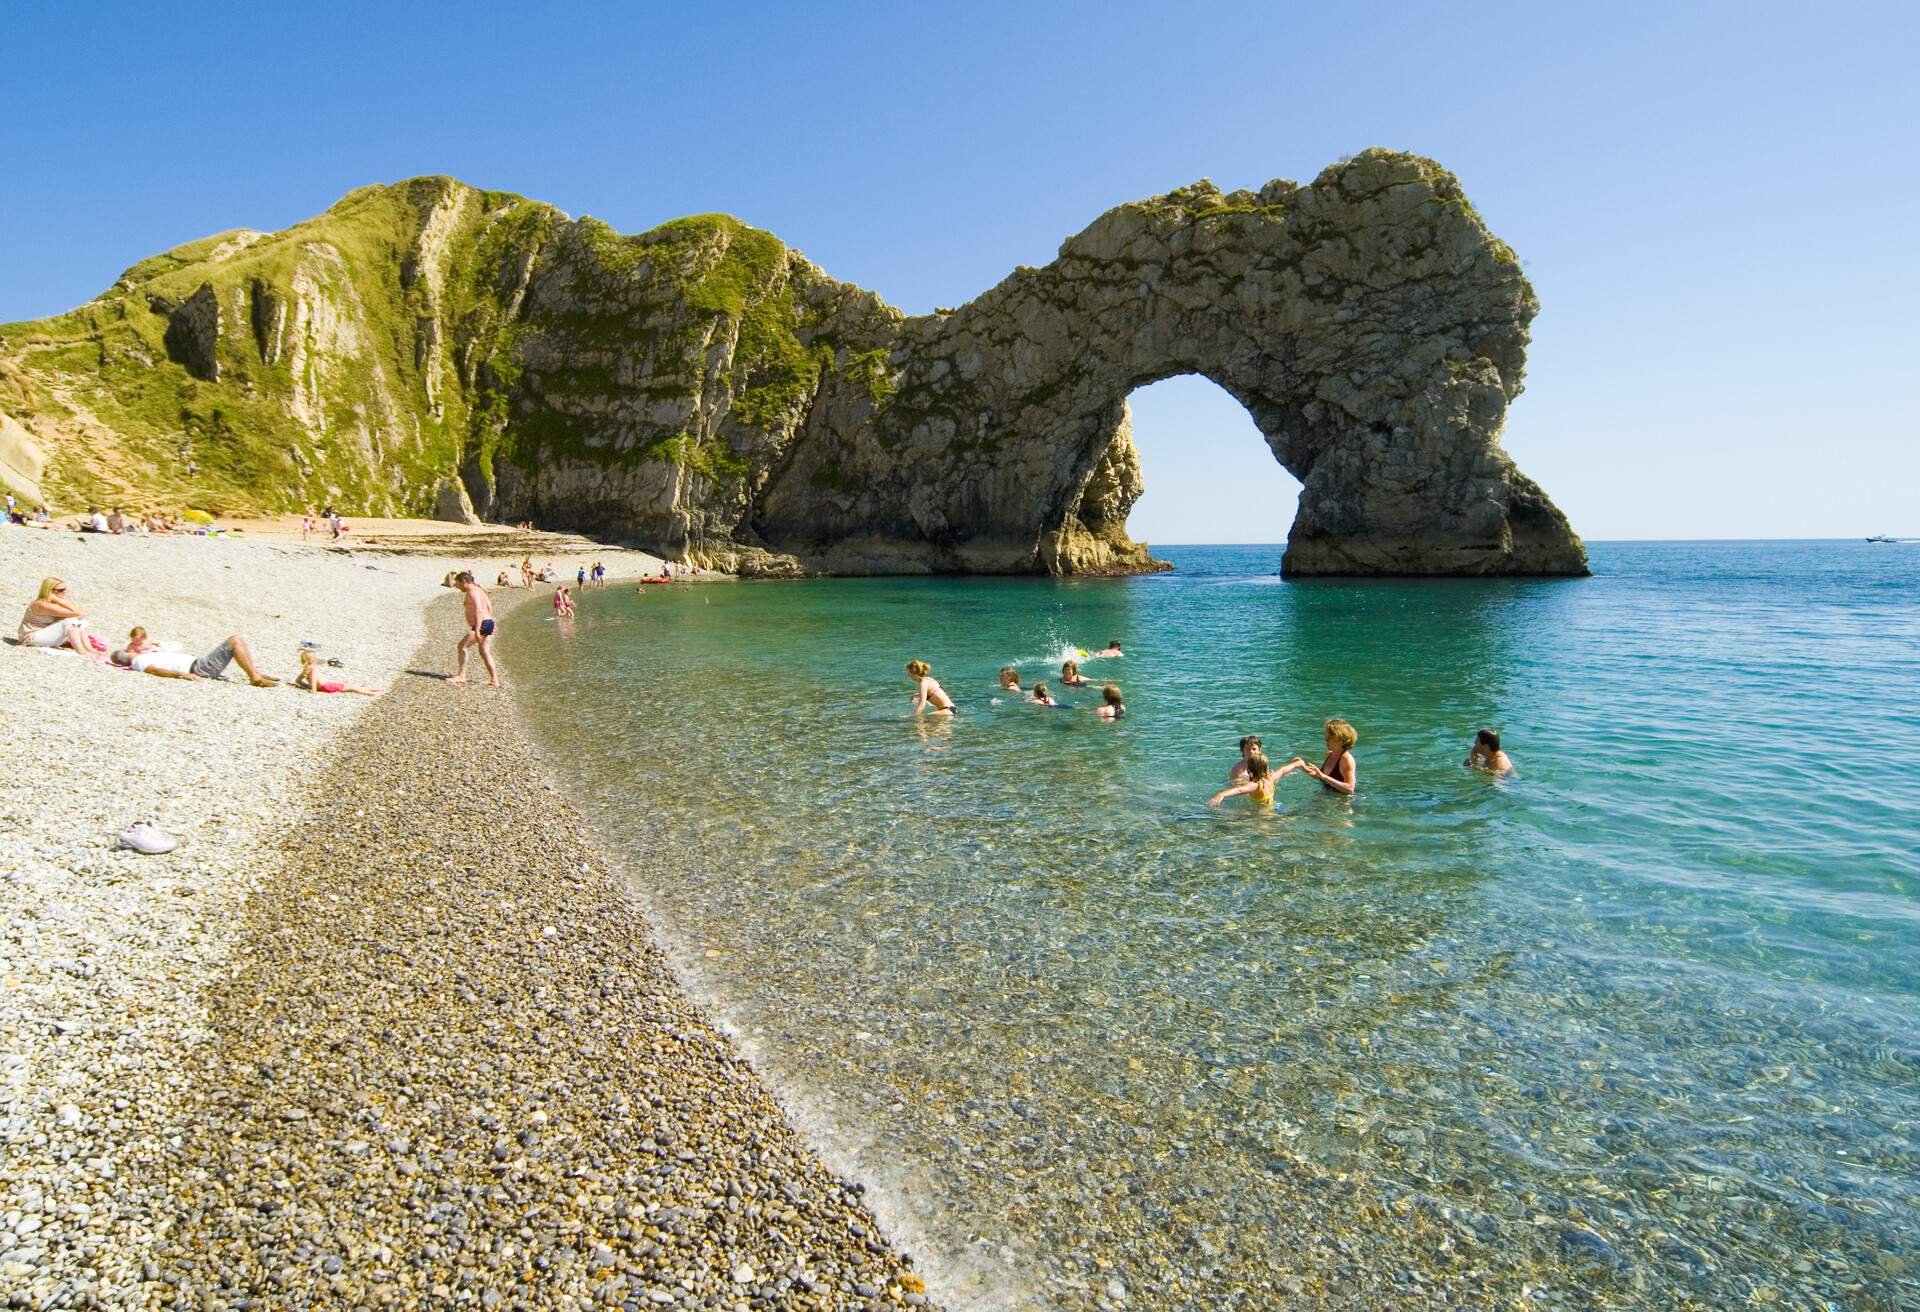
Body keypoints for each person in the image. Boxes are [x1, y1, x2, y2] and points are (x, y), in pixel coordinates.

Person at [110, 632, 280, 686]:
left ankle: (256, 673)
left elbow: (175, 646)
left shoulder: (145, 655)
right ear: (126, 654)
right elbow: (155, 670)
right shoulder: (138, 661)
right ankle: (255, 678)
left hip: (198, 663)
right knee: (235, 640)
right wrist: (182, 675)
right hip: (198, 668)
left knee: (237, 640)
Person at [449, 571, 500, 687]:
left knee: (462, 646)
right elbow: (489, 605)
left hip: (481, 624)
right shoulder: (480, 590)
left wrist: (477, 630)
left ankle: (461, 676)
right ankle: (494, 680)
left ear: (464, 581)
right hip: (487, 622)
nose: (457, 587)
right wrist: (491, 621)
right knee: (485, 652)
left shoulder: (473, 592)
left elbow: (479, 610)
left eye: (458, 584)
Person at [18, 578, 94, 655]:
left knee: (80, 622)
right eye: (61, 590)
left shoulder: (52, 604)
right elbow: (78, 613)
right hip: (30, 637)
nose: (64, 592)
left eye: (65, 589)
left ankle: (89, 649)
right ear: (50, 591)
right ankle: (80, 650)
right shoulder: (42, 604)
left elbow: (81, 614)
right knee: (71, 621)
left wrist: (57, 600)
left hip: (44, 635)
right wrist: (58, 600)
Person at [1285, 718, 1358, 796]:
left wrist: (1323, 776)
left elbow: (1350, 789)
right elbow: (1319, 776)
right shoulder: (1329, 754)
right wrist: (1303, 767)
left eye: (1329, 737)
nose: (1325, 739)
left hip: (1343, 801)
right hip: (1329, 796)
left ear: (1339, 739)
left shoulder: (1346, 759)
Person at [294, 649, 380, 696]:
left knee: (348, 685)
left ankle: (370, 689)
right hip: (327, 686)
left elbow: (297, 681)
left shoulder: (306, 668)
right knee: (351, 687)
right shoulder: (313, 668)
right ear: (313, 660)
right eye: (316, 658)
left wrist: (308, 686)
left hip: (324, 686)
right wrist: (313, 690)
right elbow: (313, 679)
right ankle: (372, 693)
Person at [1210, 749, 1278, 808]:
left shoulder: (1256, 785)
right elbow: (1283, 770)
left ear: (1249, 770)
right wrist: (1289, 764)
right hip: (1275, 805)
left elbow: (1240, 790)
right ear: (1266, 768)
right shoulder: (1271, 778)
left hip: (1263, 814)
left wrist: (1222, 794)